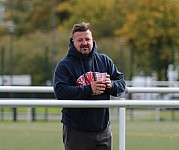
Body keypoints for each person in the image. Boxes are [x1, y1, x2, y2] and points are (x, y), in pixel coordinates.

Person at [53, 22, 126, 150]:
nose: (84, 43)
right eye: (80, 40)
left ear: (93, 40)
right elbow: (60, 92)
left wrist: (111, 85)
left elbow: (121, 83)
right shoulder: (64, 65)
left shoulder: (104, 61)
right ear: (72, 42)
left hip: (103, 130)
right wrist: (88, 89)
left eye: (87, 39)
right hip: (77, 130)